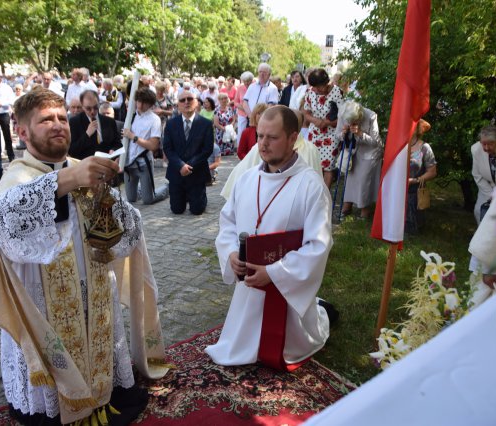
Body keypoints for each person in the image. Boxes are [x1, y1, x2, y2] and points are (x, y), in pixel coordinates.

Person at [0, 87, 168, 425]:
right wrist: (65, 181)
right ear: (22, 132)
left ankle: (105, 390)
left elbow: (127, 231)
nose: (58, 125)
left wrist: (108, 203)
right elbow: (3, 219)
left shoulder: (83, 168)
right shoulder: (16, 179)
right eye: (46, 120)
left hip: (92, 293)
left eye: (62, 118)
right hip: (43, 305)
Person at [206, 105, 334, 368]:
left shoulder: (311, 186)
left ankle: (316, 317)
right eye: (260, 135)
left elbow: (318, 245)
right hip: (248, 289)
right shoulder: (247, 179)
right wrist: (231, 252)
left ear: (292, 138)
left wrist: (274, 273)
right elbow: (227, 222)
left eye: (272, 137)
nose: (263, 144)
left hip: (284, 296)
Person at [162, 90, 214, 215]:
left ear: (196, 102)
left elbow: (207, 149)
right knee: (177, 210)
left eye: (190, 99)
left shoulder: (205, 124)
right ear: (178, 105)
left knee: (197, 210)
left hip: (197, 172)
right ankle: (185, 195)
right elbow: (168, 148)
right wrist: (181, 165)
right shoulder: (170, 124)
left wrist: (189, 166)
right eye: (182, 100)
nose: (186, 102)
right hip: (176, 172)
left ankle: (198, 197)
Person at [121, 88, 169, 205]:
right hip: (129, 163)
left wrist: (133, 137)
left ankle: (168, 188)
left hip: (144, 164)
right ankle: (144, 189)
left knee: (148, 199)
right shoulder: (131, 116)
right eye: (138, 101)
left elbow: (153, 146)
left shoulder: (154, 119)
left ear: (151, 104)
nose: (140, 105)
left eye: (144, 103)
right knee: (131, 199)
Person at [336, 101, 383, 219]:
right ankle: (347, 206)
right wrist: (343, 133)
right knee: (350, 178)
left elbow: (375, 142)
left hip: (370, 152)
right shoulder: (343, 113)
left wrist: (360, 133)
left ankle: (365, 209)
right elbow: (337, 135)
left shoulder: (371, 115)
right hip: (352, 151)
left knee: (363, 180)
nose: (351, 123)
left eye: (354, 121)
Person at [302, 68, 345, 188]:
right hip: (314, 133)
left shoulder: (337, 92)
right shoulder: (310, 92)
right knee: (313, 164)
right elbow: (305, 113)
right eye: (313, 87)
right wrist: (316, 120)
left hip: (331, 135)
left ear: (325, 84)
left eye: (318, 87)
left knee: (328, 166)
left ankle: (325, 196)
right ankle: (313, 191)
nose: (315, 90)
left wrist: (327, 123)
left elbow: (343, 117)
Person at [68, 90, 122, 159]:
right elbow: (72, 151)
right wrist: (87, 134)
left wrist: (113, 150)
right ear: (82, 106)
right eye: (88, 108)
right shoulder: (75, 122)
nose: (92, 111)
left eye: (95, 107)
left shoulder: (109, 121)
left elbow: (118, 144)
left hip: (106, 163)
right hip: (86, 164)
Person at [405, 119, 437, 234]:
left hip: (415, 193)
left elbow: (432, 172)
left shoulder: (425, 147)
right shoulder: (399, 145)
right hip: (397, 192)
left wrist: (414, 180)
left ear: (417, 128)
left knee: (411, 230)